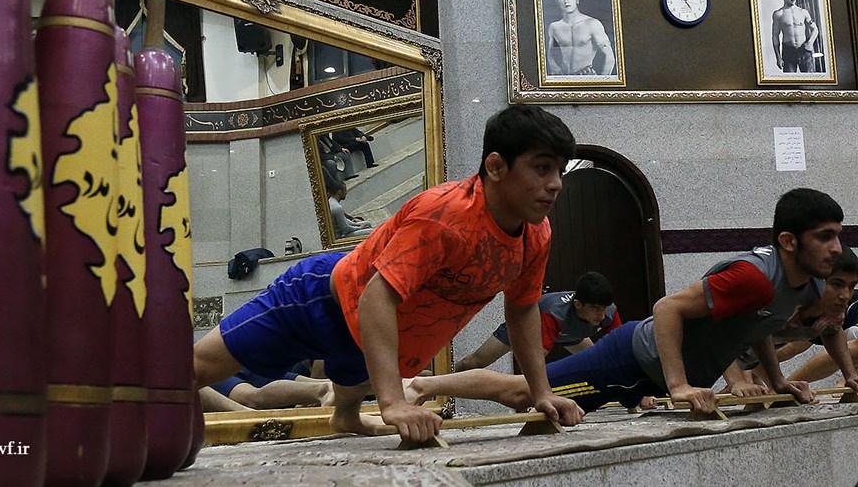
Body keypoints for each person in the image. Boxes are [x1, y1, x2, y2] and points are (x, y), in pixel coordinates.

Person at [192, 105, 582, 443]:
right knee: (194, 370)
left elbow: (522, 309)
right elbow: (376, 297)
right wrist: (392, 402)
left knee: (353, 384)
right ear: (495, 166)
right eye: (542, 168)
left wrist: (541, 392)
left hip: (369, 341)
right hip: (315, 302)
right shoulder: (445, 216)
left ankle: (346, 415)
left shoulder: (536, 235)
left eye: (559, 171)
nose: (556, 185)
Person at [405, 188, 858, 417]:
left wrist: (778, 381)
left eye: (839, 236)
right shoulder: (754, 276)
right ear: (788, 241)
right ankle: (421, 387)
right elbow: (667, 309)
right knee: (524, 392)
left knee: (549, 416)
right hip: (630, 359)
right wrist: (679, 386)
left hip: (647, 374)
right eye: (825, 237)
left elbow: (759, 326)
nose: (837, 248)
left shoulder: (809, 286)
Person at [722, 247, 858, 395]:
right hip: (714, 340)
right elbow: (717, 332)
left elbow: (832, 332)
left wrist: (850, 375)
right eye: (837, 284)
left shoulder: (832, 307)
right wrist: (737, 381)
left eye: (852, 286)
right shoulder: (778, 295)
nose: (845, 295)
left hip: (748, 351)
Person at [453, 271, 622, 371]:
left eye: (604, 308)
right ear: (578, 304)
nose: (601, 316)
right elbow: (535, 363)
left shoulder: (610, 310)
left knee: (598, 363)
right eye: (596, 309)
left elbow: (619, 349)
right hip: (524, 327)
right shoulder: (554, 314)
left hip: (567, 332)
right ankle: (445, 377)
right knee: (475, 361)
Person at [545, 0, 616, 76]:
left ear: (577, 0)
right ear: (557, 2)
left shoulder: (592, 24)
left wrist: (602, 81)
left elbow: (610, 57)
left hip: (586, 75)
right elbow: (550, 51)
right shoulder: (554, 27)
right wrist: (553, 65)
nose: (566, 1)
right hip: (564, 76)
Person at [203, 363, 333, 411]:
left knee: (251, 398)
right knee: (250, 398)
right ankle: (327, 389)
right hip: (210, 365)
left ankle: (327, 389)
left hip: (217, 362)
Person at [772, 0, 820, 73]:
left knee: (809, 78)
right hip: (788, 51)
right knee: (790, 80)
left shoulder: (803, 12)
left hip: (804, 50)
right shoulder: (778, 14)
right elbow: (775, 37)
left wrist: (810, 43)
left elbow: (815, 29)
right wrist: (778, 57)